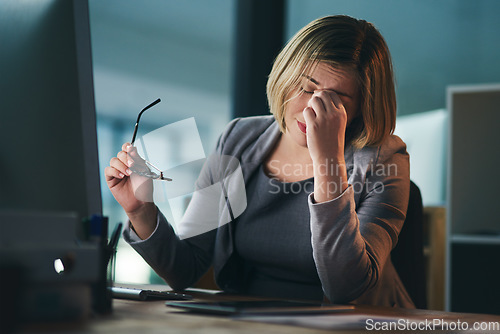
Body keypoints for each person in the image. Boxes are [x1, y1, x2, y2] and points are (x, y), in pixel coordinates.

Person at [105, 15, 413, 308]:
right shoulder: (240, 139)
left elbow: (347, 289)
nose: (311, 109)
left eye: (336, 101)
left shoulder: (385, 159)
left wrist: (328, 161)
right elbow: (185, 268)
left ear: (362, 107)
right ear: (285, 75)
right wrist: (141, 209)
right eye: (305, 88)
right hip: (249, 320)